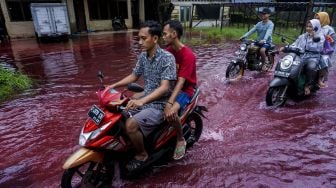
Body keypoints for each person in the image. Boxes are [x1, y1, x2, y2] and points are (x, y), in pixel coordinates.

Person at [109, 20, 176, 171]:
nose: (139, 42)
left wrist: (142, 100)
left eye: (143, 38)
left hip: (160, 104)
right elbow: (134, 76)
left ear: (155, 38)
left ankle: (142, 155)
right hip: (145, 99)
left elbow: (165, 87)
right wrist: (113, 86)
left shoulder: (167, 58)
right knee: (119, 115)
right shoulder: (143, 56)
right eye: (138, 38)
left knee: (130, 125)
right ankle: (134, 143)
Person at [162, 20, 197, 160]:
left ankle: (180, 138)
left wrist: (170, 103)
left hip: (185, 90)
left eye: (165, 34)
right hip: (171, 87)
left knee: (170, 113)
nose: (163, 37)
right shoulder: (168, 51)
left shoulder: (188, 55)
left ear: (174, 34)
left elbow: (181, 82)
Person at [281, 19, 325, 95]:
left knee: (311, 67)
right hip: (302, 56)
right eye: (307, 26)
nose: (308, 28)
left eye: (310, 27)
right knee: (292, 66)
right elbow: (295, 44)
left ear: (316, 27)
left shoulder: (320, 37)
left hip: (313, 57)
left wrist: (313, 38)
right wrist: (286, 48)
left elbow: (320, 48)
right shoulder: (303, 36)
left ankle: (308, 86)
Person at [314, 12, 336, 88]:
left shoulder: (329, 29)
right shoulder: (314, 26)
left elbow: (332, 42)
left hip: (323, 51)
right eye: (315, 18)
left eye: (318, 18)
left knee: (324, 59)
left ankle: (320, 79)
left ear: (324, 19)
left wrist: (327, 39)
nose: (316, 20)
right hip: (312, 48)